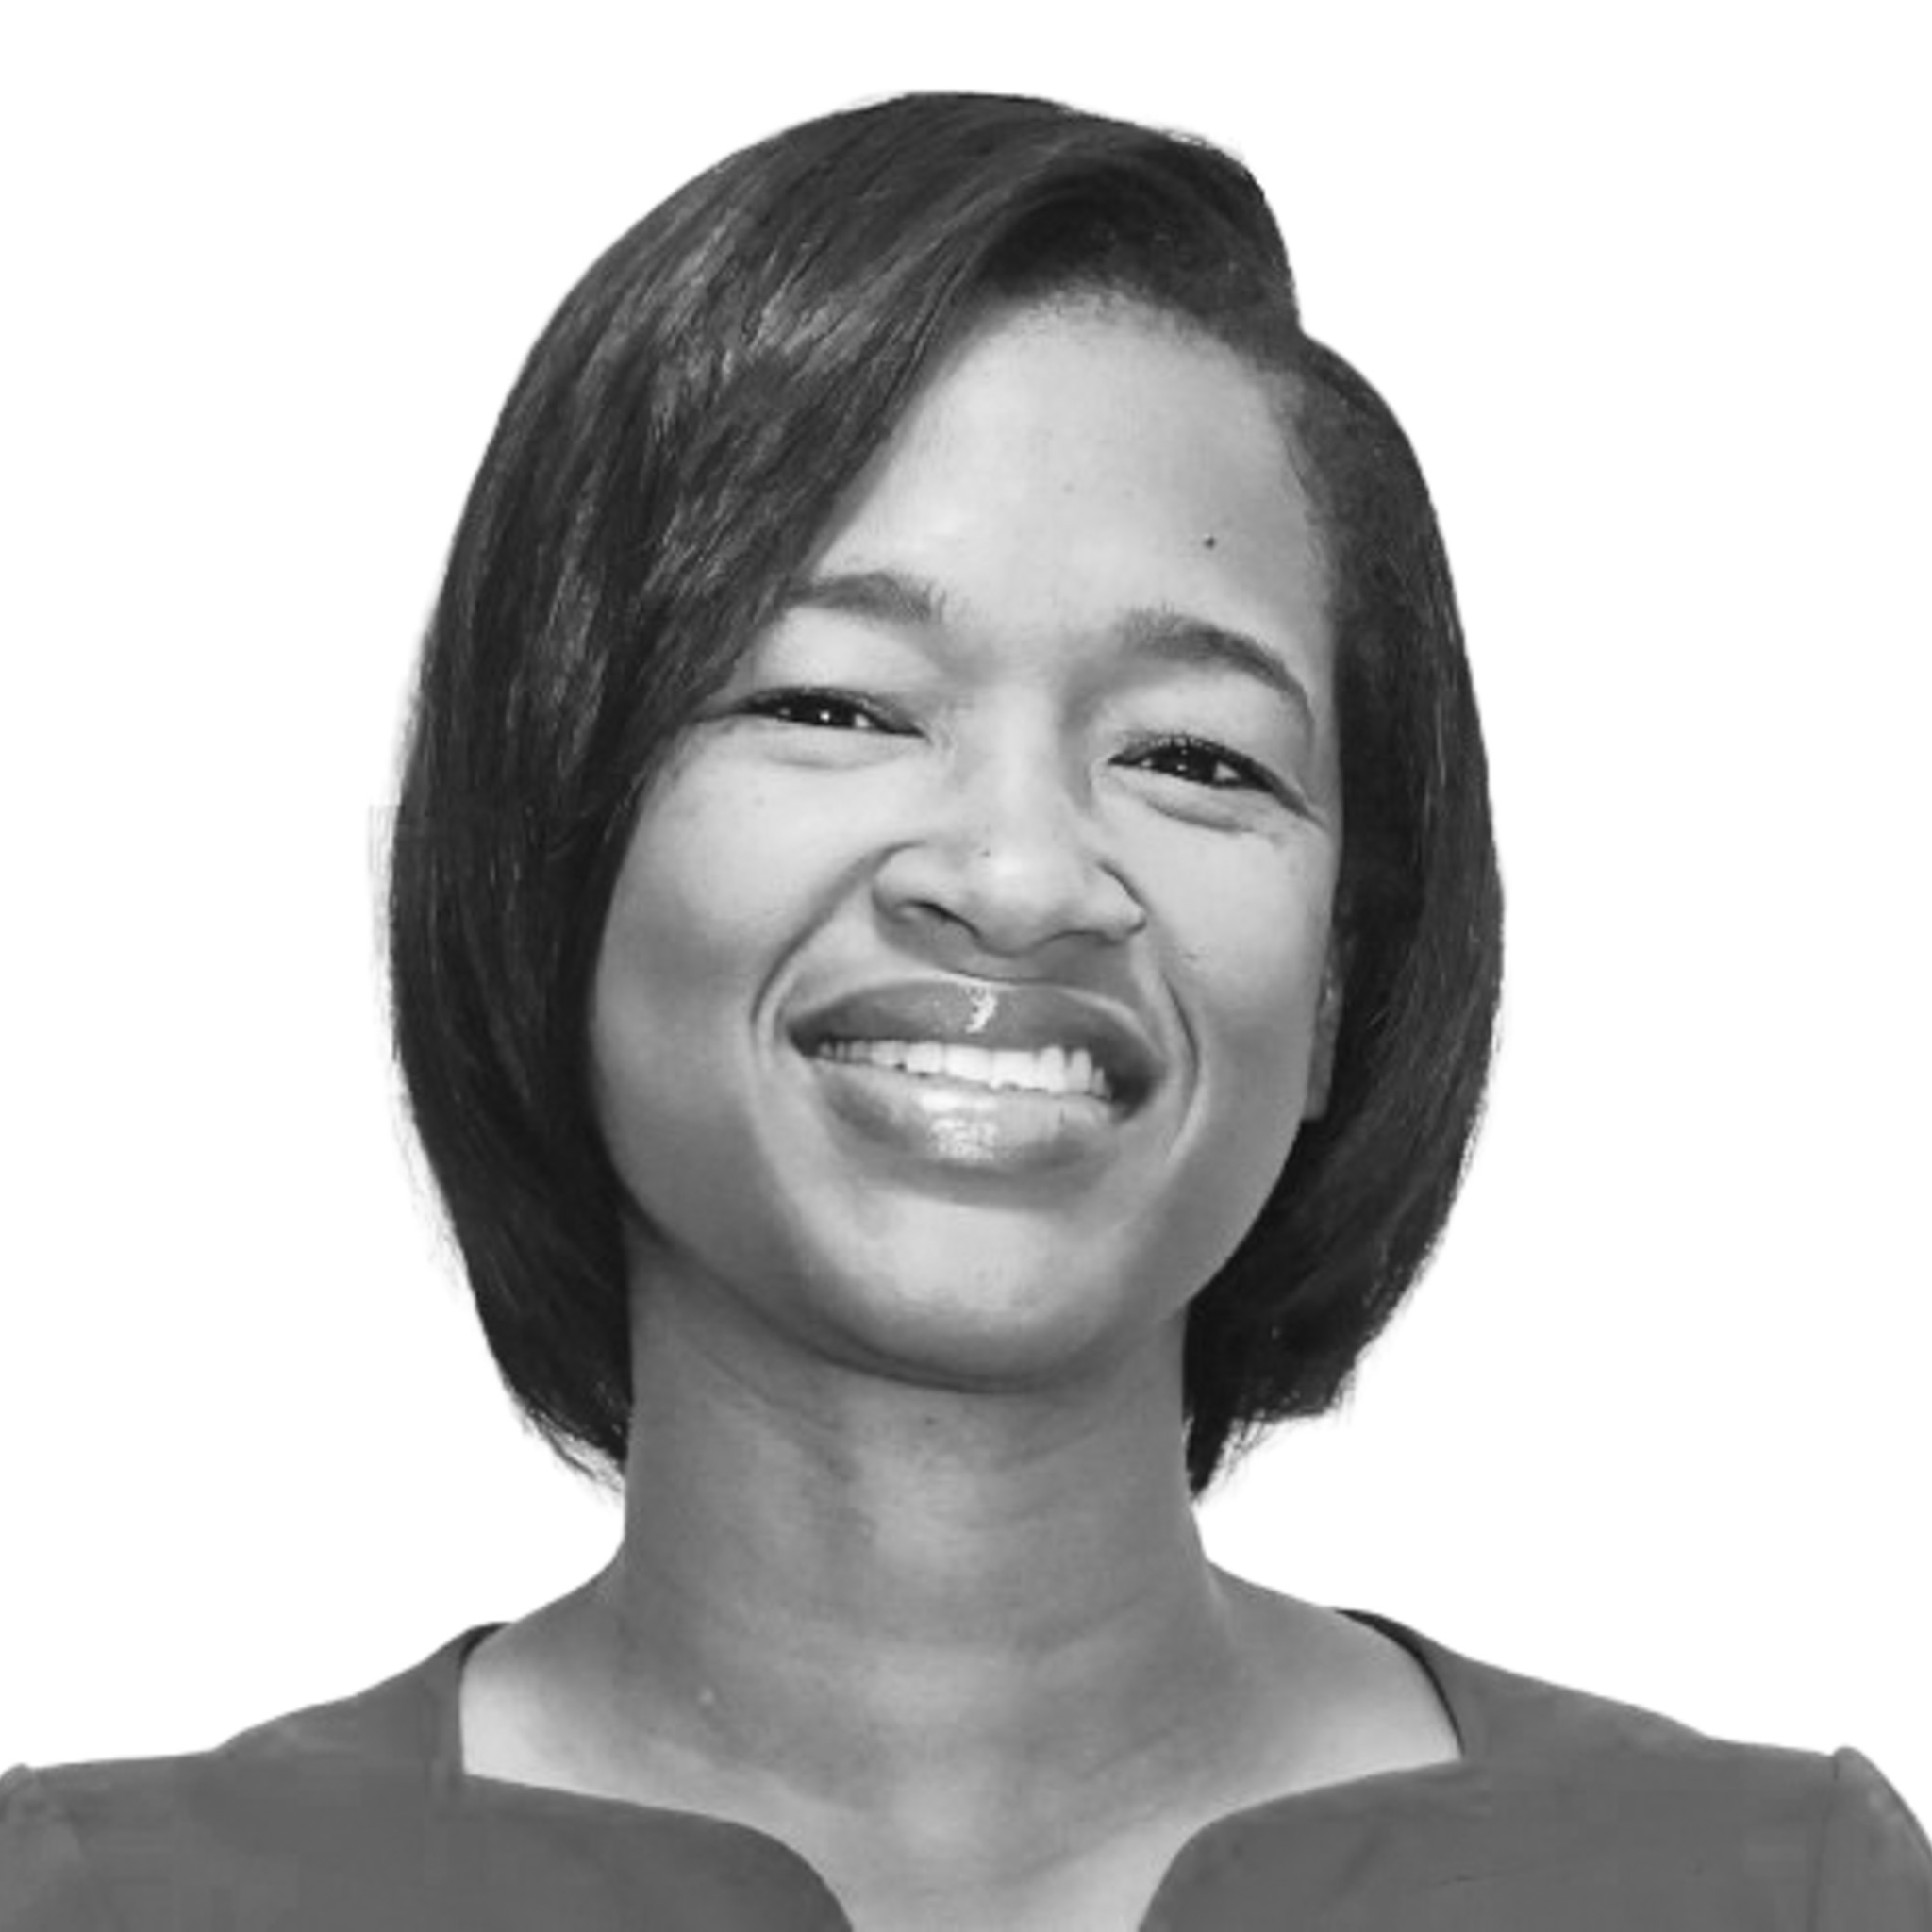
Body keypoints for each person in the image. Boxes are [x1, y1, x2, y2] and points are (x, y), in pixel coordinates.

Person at [4, 89, 1926, 1932]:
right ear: (542, 854)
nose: (1017, 876)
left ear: (1343, 976)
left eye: (1195, 756)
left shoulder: (1776, 1895)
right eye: (831, 705)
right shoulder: (100, 1904)